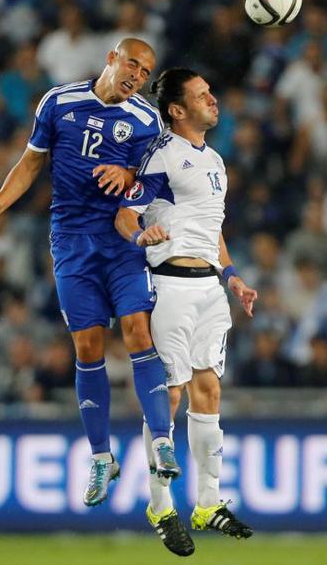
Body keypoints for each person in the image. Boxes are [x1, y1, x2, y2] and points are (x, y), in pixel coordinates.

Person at [0, 38, 178, 508]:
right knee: (87, 347)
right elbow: (31, 162)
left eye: (146, 73)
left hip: (122, 237)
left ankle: (162, 440)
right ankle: (102, 456)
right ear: (111, 58)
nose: (137, 77)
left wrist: (130, 177)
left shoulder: (146, 120)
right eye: (132, 65)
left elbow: (156, 180)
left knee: (137, 330)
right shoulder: (59, 102)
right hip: (71, 242)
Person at [116, 68, 257, 556]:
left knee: (209, 389)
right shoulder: (162, 156)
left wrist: (231, 275)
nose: (212, 99)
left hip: (210, 289)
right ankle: (160, 506)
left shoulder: (215, 160)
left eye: (210, 91)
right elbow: (125, 214)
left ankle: (207, 503)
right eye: (201, 95)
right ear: (177, 110)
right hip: (170, 284)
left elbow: (211, 229)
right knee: (170, 393)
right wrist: (141, 234)